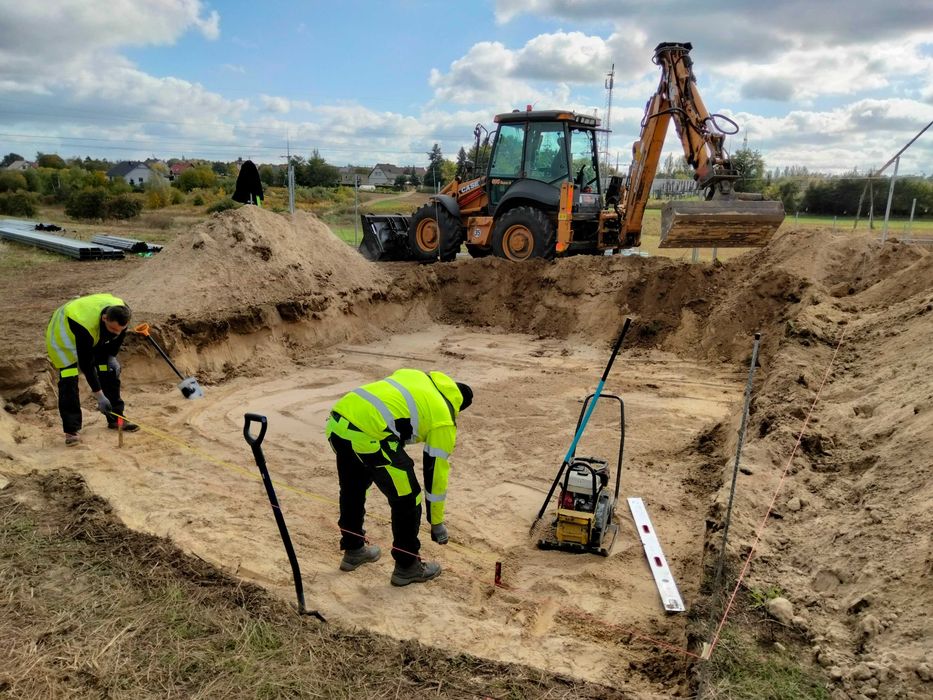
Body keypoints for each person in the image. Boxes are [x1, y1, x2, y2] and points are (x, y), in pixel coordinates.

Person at [325, 369, 473, 586]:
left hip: (338, 422)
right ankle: (407, 566)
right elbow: (435, 473)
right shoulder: (444, 418)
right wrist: (436, 522)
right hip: (369, 434)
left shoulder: (416, 377)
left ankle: (353, 550)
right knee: (408, 499)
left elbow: (396, 414)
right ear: (458, 405)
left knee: (353, 488)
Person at [45, 293, 138, 446]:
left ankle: (116, 418)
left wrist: (111, 357)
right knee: (69, 378)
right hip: (64, 334)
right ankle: (71, 431)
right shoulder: (84, 327)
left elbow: (116, 338)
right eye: (112, 329)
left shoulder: (123, 314)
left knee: (107, 369)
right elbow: (86, 364)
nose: (115, 334)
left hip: (93, 329)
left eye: (119, 330)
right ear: (104, 318)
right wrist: (99, 396)